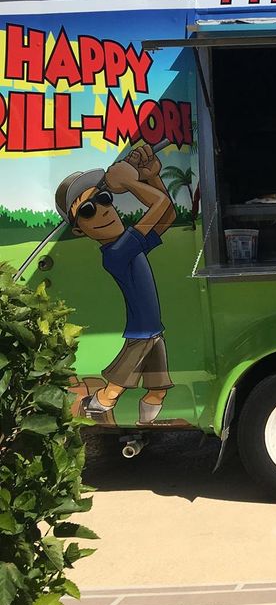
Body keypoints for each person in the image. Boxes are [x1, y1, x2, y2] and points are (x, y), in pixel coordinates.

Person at [54, 145, 177, 425]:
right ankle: (99, 404)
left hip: (153, 330)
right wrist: (132, 182)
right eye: (87, 210)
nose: (103, 210)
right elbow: (157, 206)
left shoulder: (130, 243)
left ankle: (145, 423)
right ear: (78, 230)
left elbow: (167, 213)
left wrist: (152, 177)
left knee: (157, 389)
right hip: (142, 331)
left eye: (104, 198)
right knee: (118, 384)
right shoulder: (117, 251)